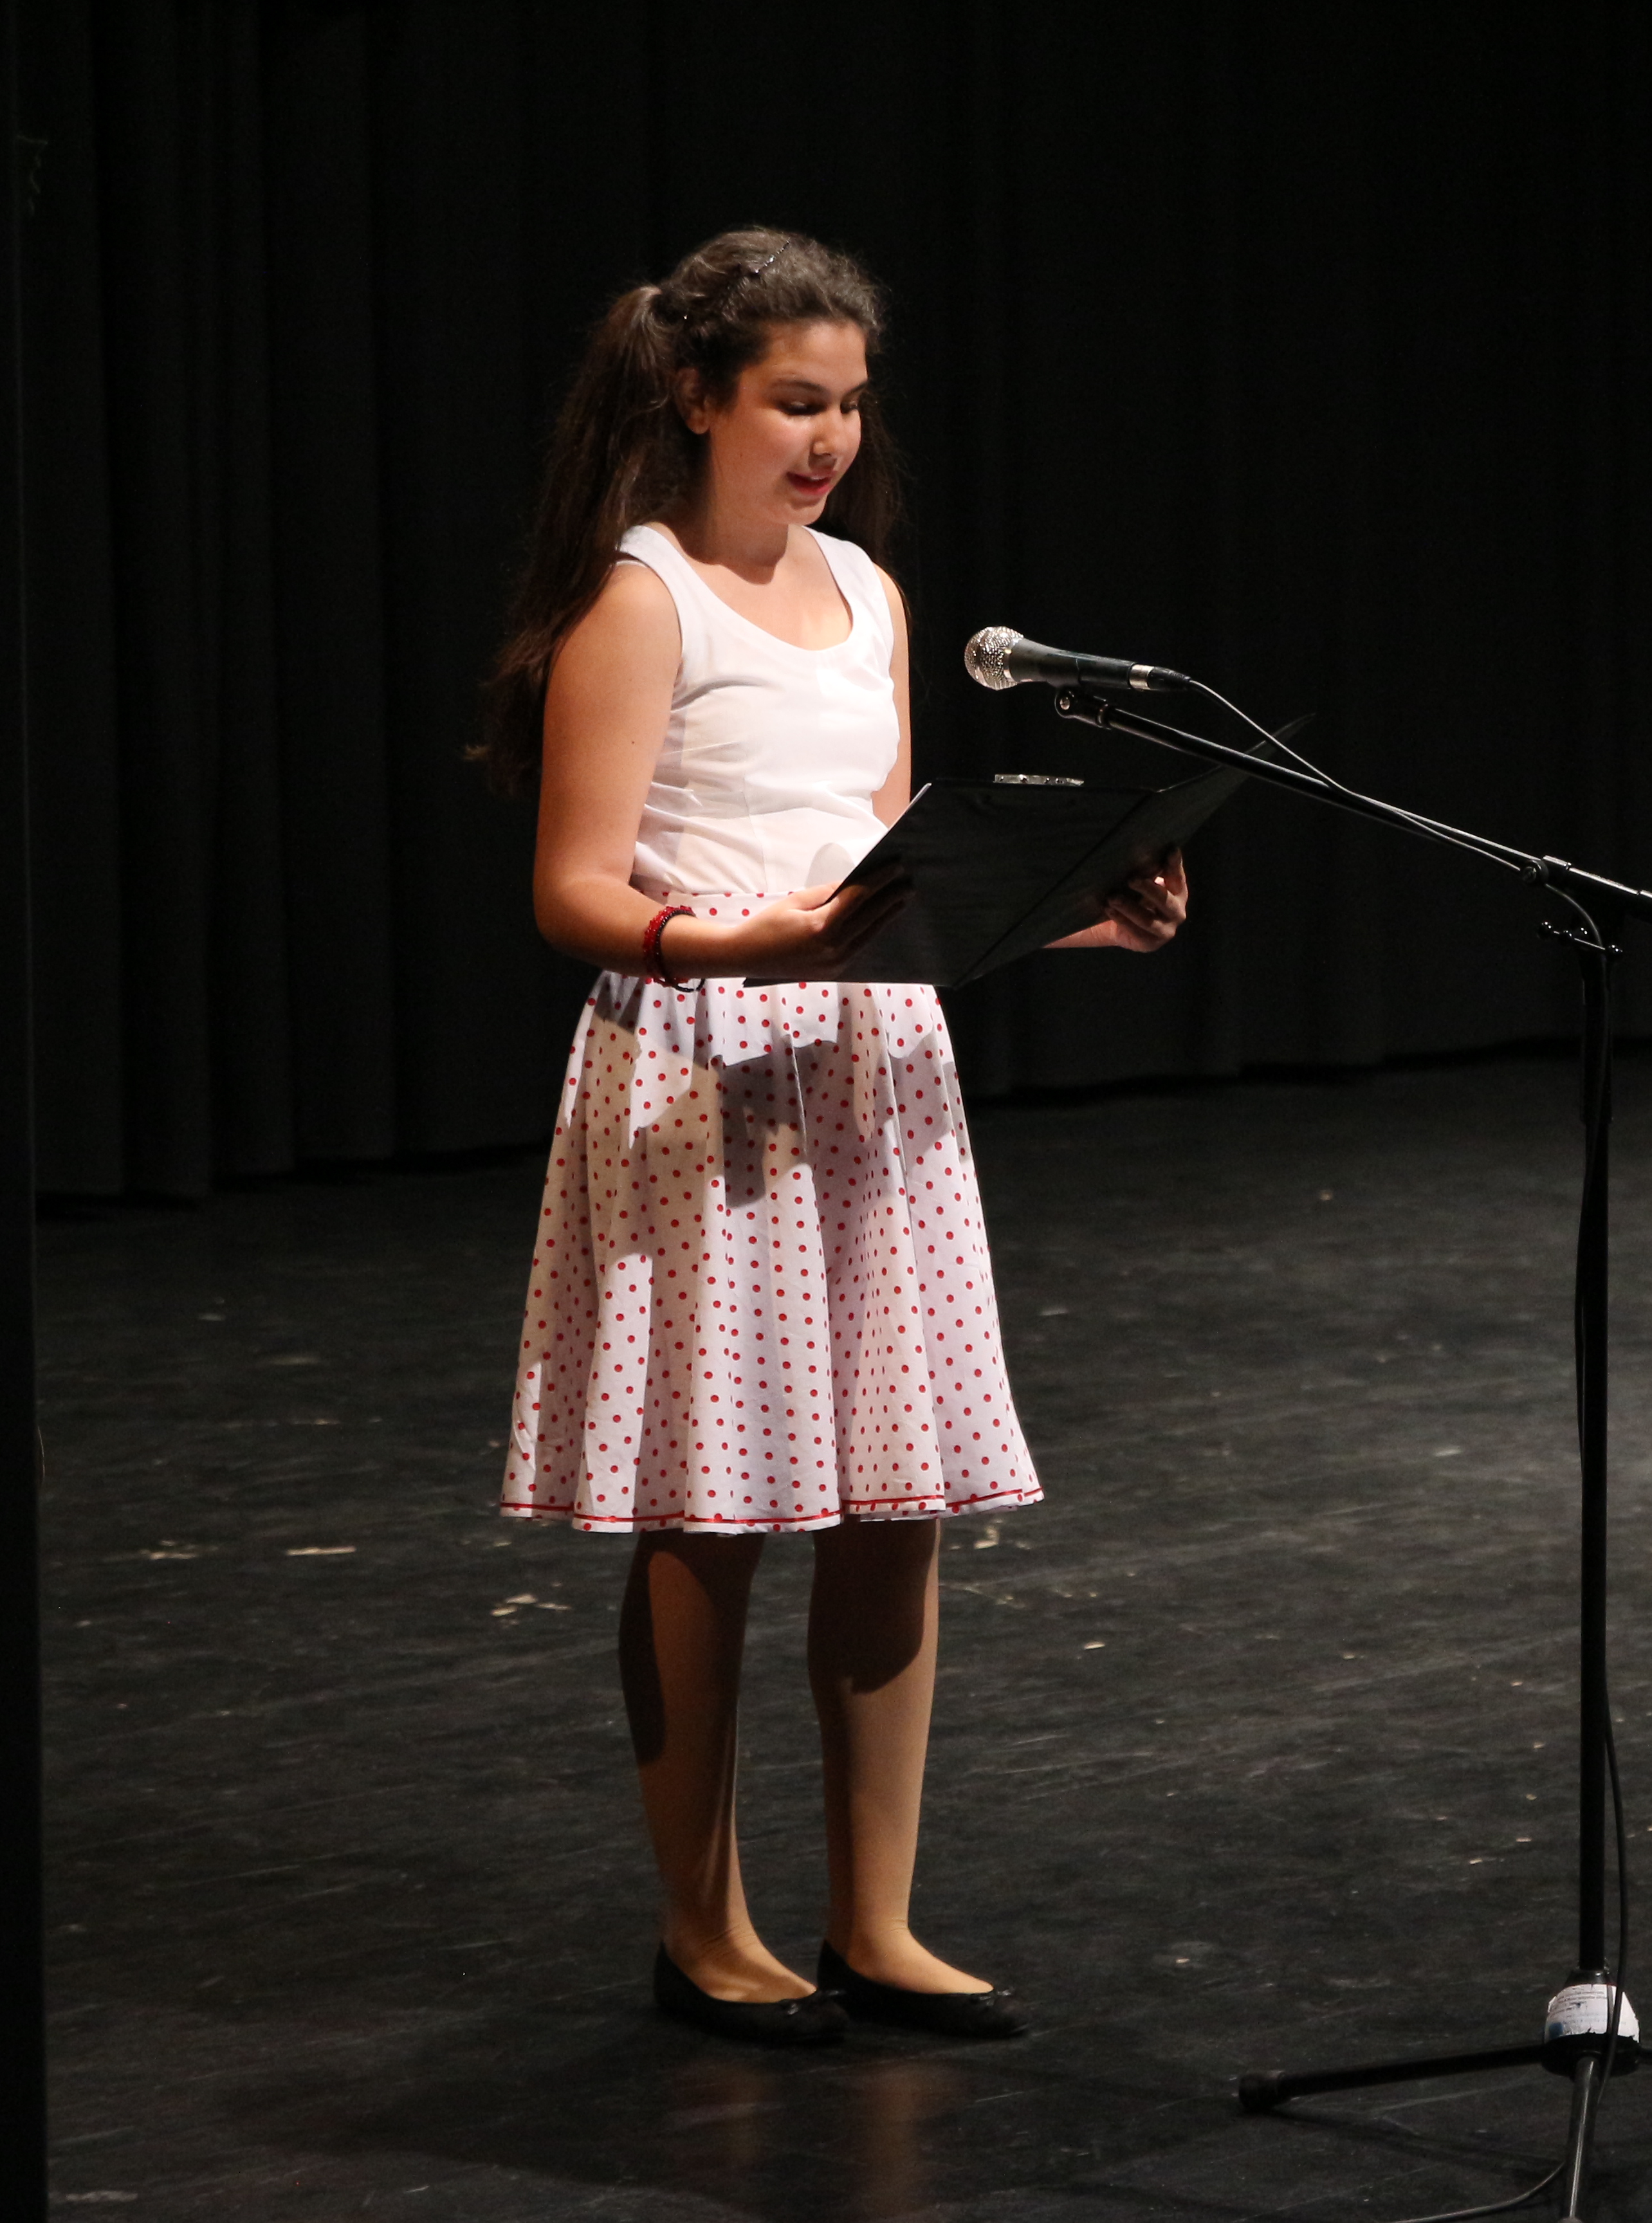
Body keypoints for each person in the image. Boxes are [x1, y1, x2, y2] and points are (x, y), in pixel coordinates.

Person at [479, 227, 1187, 2045]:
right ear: (694, 397)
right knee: (709, 1514)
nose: (832, 440)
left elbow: (890, 875)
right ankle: (705, 1928)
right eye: (797, 402)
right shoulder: (643, 599)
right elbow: (573, 888)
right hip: (707, 1062)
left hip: (872, 1058)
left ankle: (877, 1920)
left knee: (895, 1501)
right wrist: (745, 946)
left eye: (852, 406)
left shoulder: (867, 593)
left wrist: (1075, 919)